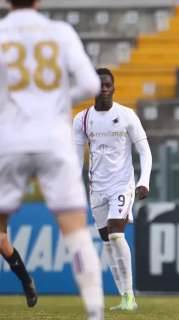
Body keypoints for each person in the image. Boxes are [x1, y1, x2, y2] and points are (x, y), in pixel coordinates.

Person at [0, 0, 104, 318]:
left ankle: (27, 282)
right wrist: (55, 103)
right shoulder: (60, 32)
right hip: (54, 141)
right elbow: (91, 84)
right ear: (39, 1)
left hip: (9, 141)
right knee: (74, 230)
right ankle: (95, 311)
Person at [73, 68, 152, 311]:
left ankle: (130, 296)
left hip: (122, 184)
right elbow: (76, 159)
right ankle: (124, 297)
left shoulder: (127, 115)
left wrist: (143, 180)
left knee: (117, 234)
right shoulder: (82, 119)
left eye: (108, 85)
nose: (104, 89)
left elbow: (145, 151)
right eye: (100, 85)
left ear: (114, 87)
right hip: (97, 189)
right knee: (107, 242)